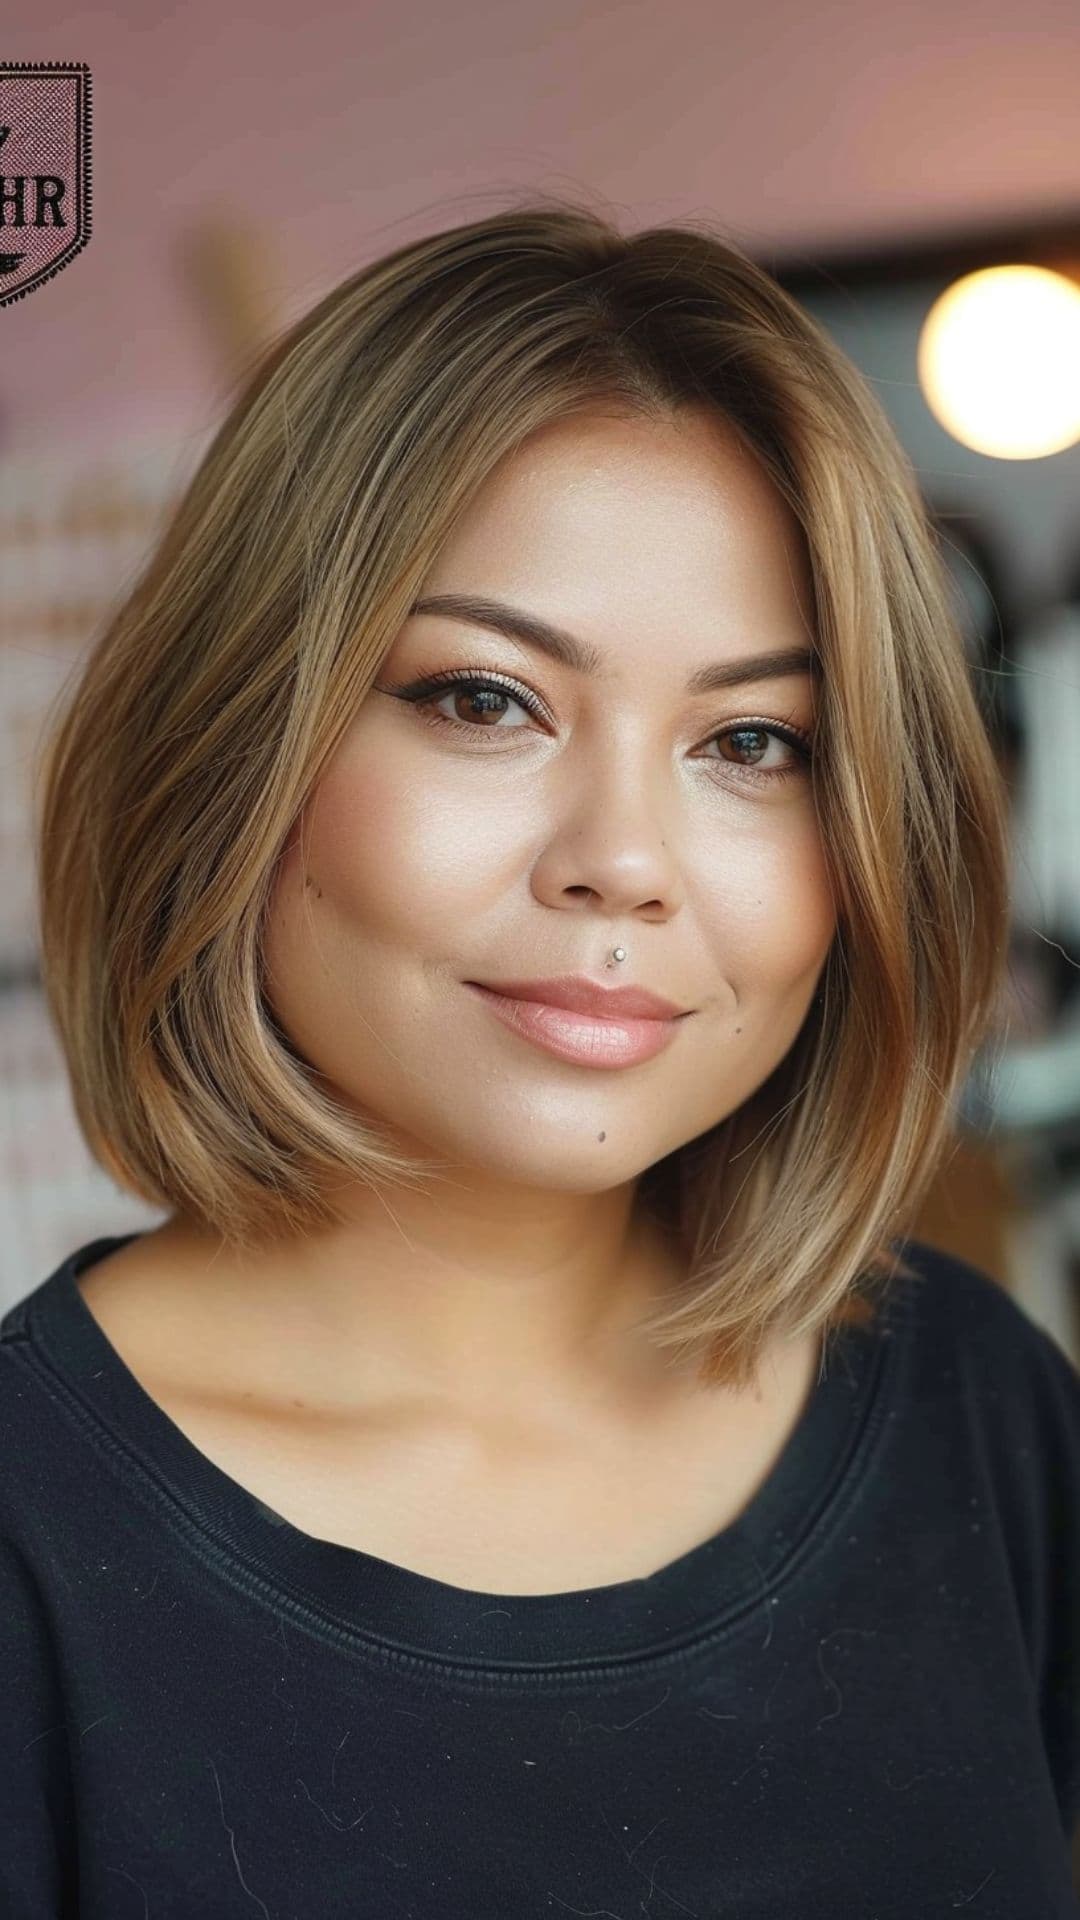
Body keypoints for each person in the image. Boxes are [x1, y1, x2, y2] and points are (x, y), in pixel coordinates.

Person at [3, 196, 1077, 1915]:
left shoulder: (980, 1416)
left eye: (752, 741)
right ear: (239, 746)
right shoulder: (33, 1557)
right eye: (486, 700)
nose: (624, 858)